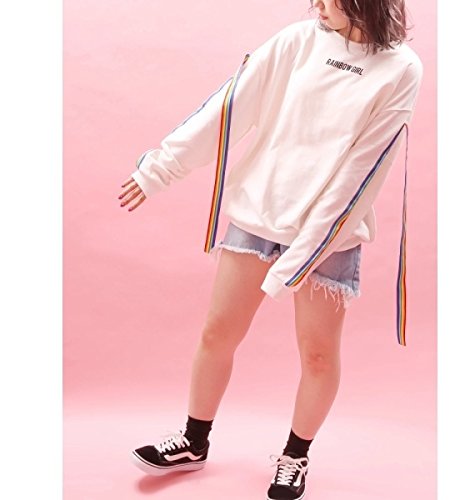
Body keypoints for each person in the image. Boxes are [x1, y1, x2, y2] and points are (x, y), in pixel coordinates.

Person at [118, 1, 423, 498]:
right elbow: (228, 109)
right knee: (218, 332)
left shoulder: (401, 69)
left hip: (330, 232)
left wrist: (300, 258)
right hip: (259, 210)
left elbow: (361, 174)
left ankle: (295, 456)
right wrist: (159, 170)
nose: (316, 5)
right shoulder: (297, 41)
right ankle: (194, 442)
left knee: (318, 355)